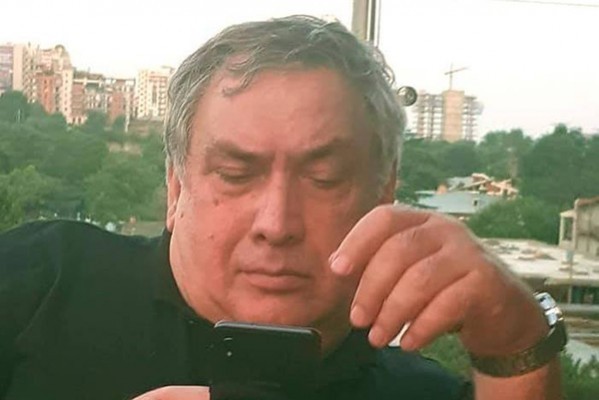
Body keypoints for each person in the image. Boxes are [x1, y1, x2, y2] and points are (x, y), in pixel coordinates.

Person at [0, 15, 564, 400]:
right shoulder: (36, 284)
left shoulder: (421, 392)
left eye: (324, 179)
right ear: (175, 188)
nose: (276, 224)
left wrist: (516, 341)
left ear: (384, 193)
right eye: (235, 174)